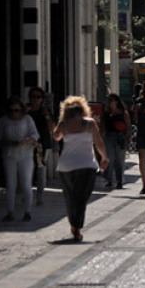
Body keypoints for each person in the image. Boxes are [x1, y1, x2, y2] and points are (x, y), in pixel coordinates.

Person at [52, 95, 109, 242]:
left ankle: (75, 226)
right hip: (86, 165)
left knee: (70, 197)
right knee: (82, 197)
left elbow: (56, 137)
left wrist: (56, 125)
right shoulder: (89, 124)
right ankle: (77, 226)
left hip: (66, 166)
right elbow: (99, 143)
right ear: (83, 109)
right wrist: (104, 157)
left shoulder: (64, 124)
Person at [0, 96, 39, 222]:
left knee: (26, 183)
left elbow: (35, 134)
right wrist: (8, 142)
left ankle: (27, 211)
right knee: (10, 184)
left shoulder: (27, 119)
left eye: (17, 110)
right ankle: (10, 211)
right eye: (12, 110)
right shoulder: (4, 121)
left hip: (26, 154)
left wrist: (26, 141)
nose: (15, 113)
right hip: (9, 154)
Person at [26, 87, 53, 205]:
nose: (36, 99)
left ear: (42, 99)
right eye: (33, 97)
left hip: (43, 144)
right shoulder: (26, 111)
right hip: (28, 143)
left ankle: (40, 195)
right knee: (28, 169)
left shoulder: (45, 111)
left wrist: (46, 116)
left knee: (41, 169)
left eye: (38, 97)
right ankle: (28, 193)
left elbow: (52, 127)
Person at [101, 93, 131, 190]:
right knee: (109, 158)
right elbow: (103, 127)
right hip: (109, 137)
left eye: (112, 100)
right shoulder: (106, 113)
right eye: (109, 100)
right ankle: (109, 179)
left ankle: (120, 181)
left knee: (119, 160)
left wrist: (127, 139)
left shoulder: (123, 112)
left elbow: (128, 126)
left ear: (117, 101)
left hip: (120, 137)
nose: (110, 102)